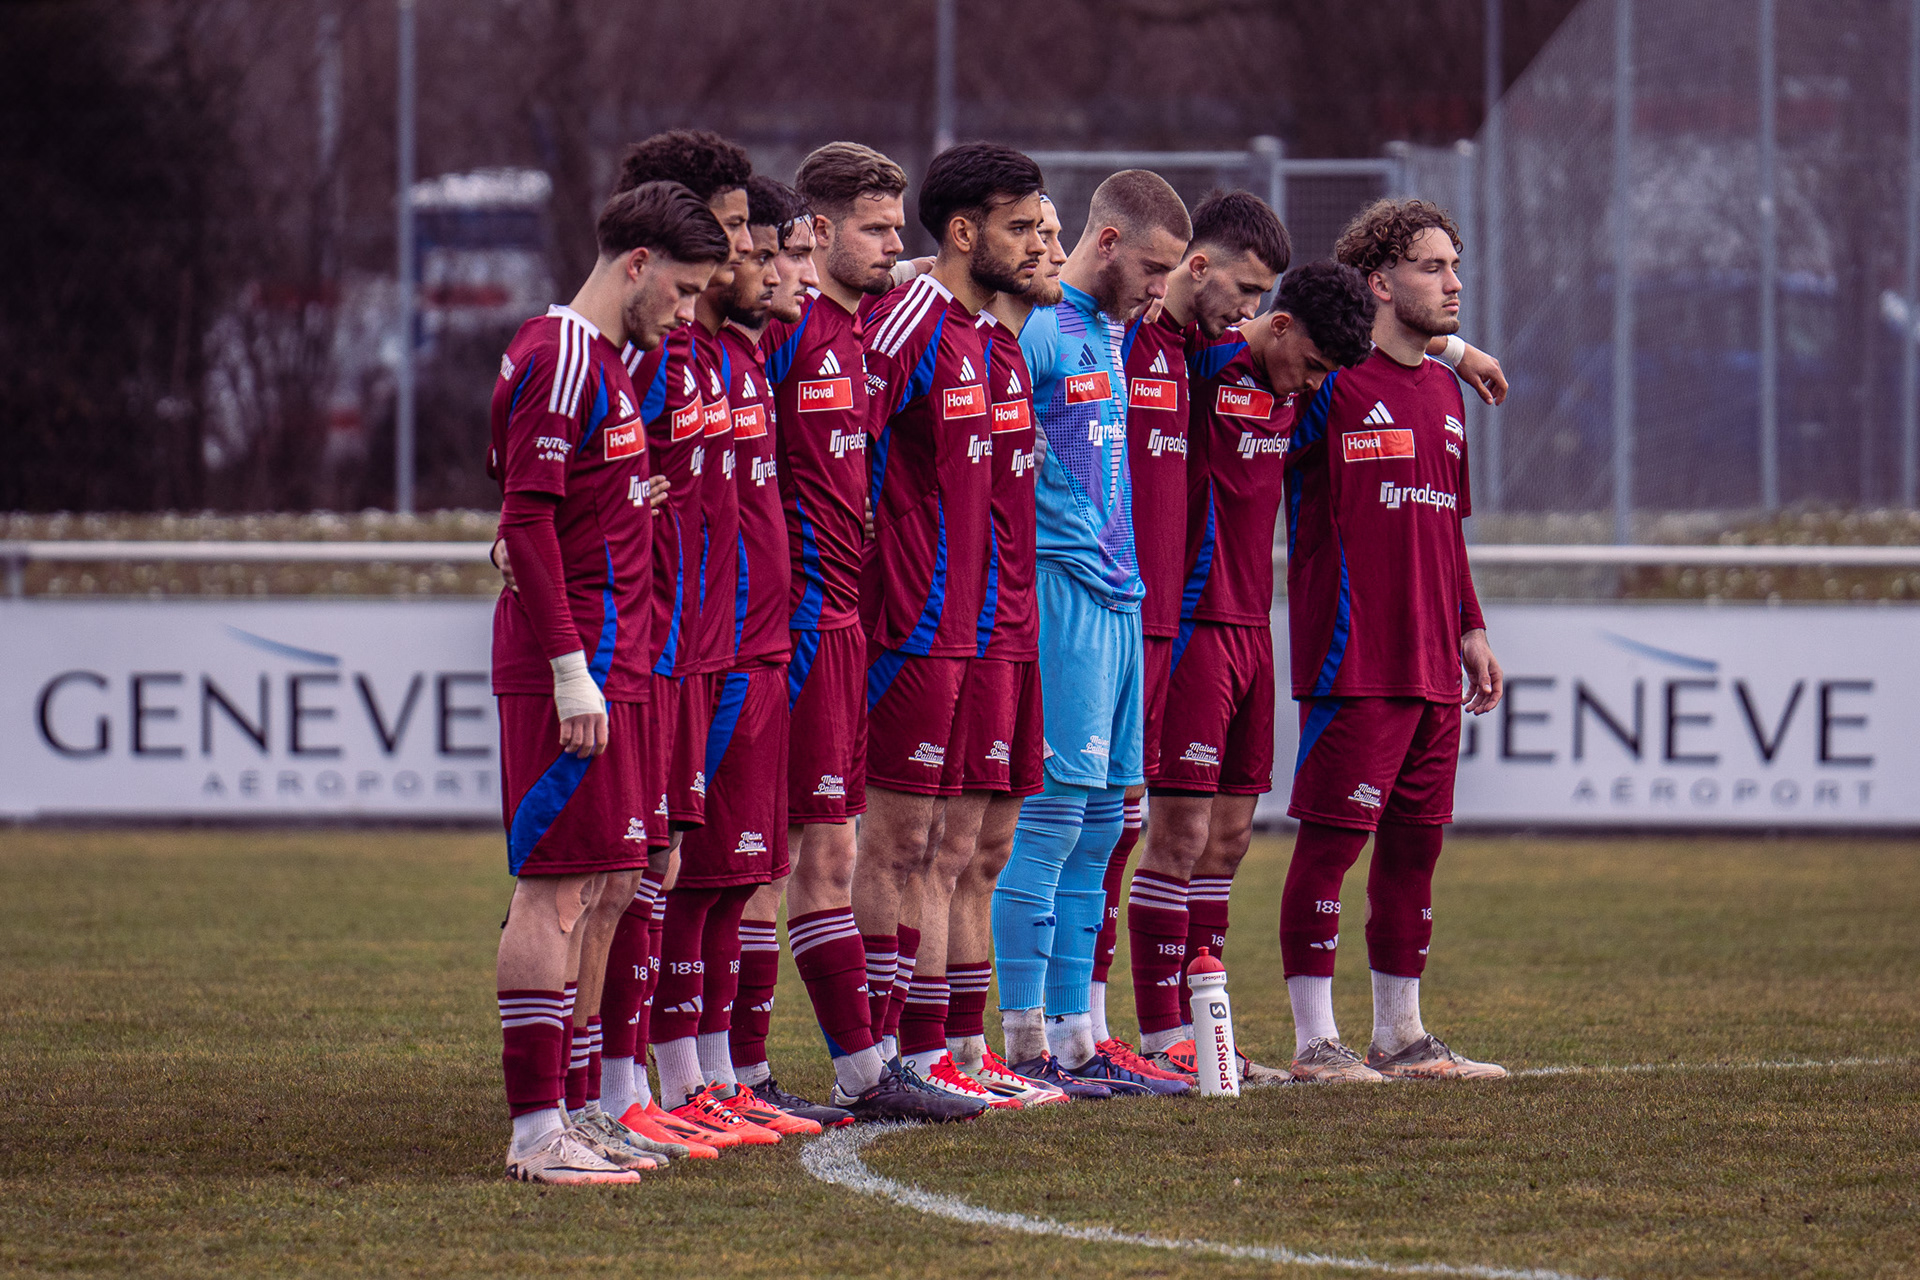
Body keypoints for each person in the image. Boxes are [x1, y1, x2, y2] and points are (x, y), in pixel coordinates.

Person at [489, 180, 729, 1183]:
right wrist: (567, 670)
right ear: (637, 264)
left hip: (619, 661)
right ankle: (535, 1129)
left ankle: (579, 1107)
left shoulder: (606, 363)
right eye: (682, 288)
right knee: (554, 893)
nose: (688, 309)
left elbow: (558, 502)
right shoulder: (559, 356)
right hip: (576, 668)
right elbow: (527, 517)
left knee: (604, 888)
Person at [759, 143, 969, 1121]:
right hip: (793, 622)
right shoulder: (790, 331)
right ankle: (739, 1073)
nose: (895, 244)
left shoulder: (861, 336)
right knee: (774, 861)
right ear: (819, 229)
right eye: (877, 229)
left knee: (827, 859)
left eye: (898, 227)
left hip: (846, 622)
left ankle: (853, 1069)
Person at [1279, 198, 1507, 1083]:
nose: (1453, 285)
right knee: (1331, 848)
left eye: (1455, 267)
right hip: (1354, 659)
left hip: (1431, 662)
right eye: (1431, 267)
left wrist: (1471, 626)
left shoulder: (1446, 391)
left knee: (1416, 850)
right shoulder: (1329, 381)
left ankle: (1401, 1037)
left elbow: (1447, 526)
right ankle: (1314, 1042)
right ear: (1378, 282)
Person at [847, 140, 1049, 1118]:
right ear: (964, 232)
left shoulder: (986, 337)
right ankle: (881, 1054)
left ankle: (933, 1049)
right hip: (915, 625)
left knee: (955, 845)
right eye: (1021, 227)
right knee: (898, 844)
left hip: (981, 625)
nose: (1037, 243)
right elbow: (839, 447)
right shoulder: (910, 321)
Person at [1140, 262, 1375, 1086]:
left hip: (1253, 629)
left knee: (1231, 840)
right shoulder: (1206, 362)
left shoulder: (1298, 392)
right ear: (1277, 325)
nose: (1312, 384)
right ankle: (1161, 1034)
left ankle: (1207, 1038)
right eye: (1308, 365)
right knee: (1177, 835)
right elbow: (1165, 312)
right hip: (1195, 624)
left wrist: (1458, 352)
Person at [990, 170, 1192, 1096]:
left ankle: (1078, 1038)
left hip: (1120, 596)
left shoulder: (1111, 334)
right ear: (1106, 243)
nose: (1160, 288)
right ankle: (1024, 1038)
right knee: (1053, 817)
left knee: (1108, 820)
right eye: (1152, 268)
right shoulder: (1037, 329)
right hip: (1062, 593)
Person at [719, 176, 857, 1129]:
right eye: (782, 254)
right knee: (748, 863)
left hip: (822, 626)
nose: (794, 274)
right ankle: (721, 1071)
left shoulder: (852, 328)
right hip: (771, 631)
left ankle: (759, 1069)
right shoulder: (753, 345)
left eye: (801, 254)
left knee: (807, 853)